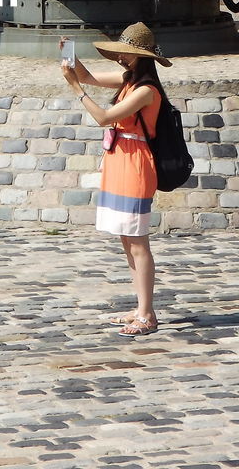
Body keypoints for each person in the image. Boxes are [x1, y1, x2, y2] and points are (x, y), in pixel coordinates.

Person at [60, 22, 169, 337]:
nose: (121, 59)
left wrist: (76, 91)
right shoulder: (128, 80)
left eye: (127, 55)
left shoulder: (147, 90)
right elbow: (88, 77)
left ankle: (147, 314)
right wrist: (69, 55)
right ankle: (140, 307)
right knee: (126, 239)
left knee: (138, 242)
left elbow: (105, 117)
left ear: (141, 57)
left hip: (135, 165)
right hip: (119, 162)